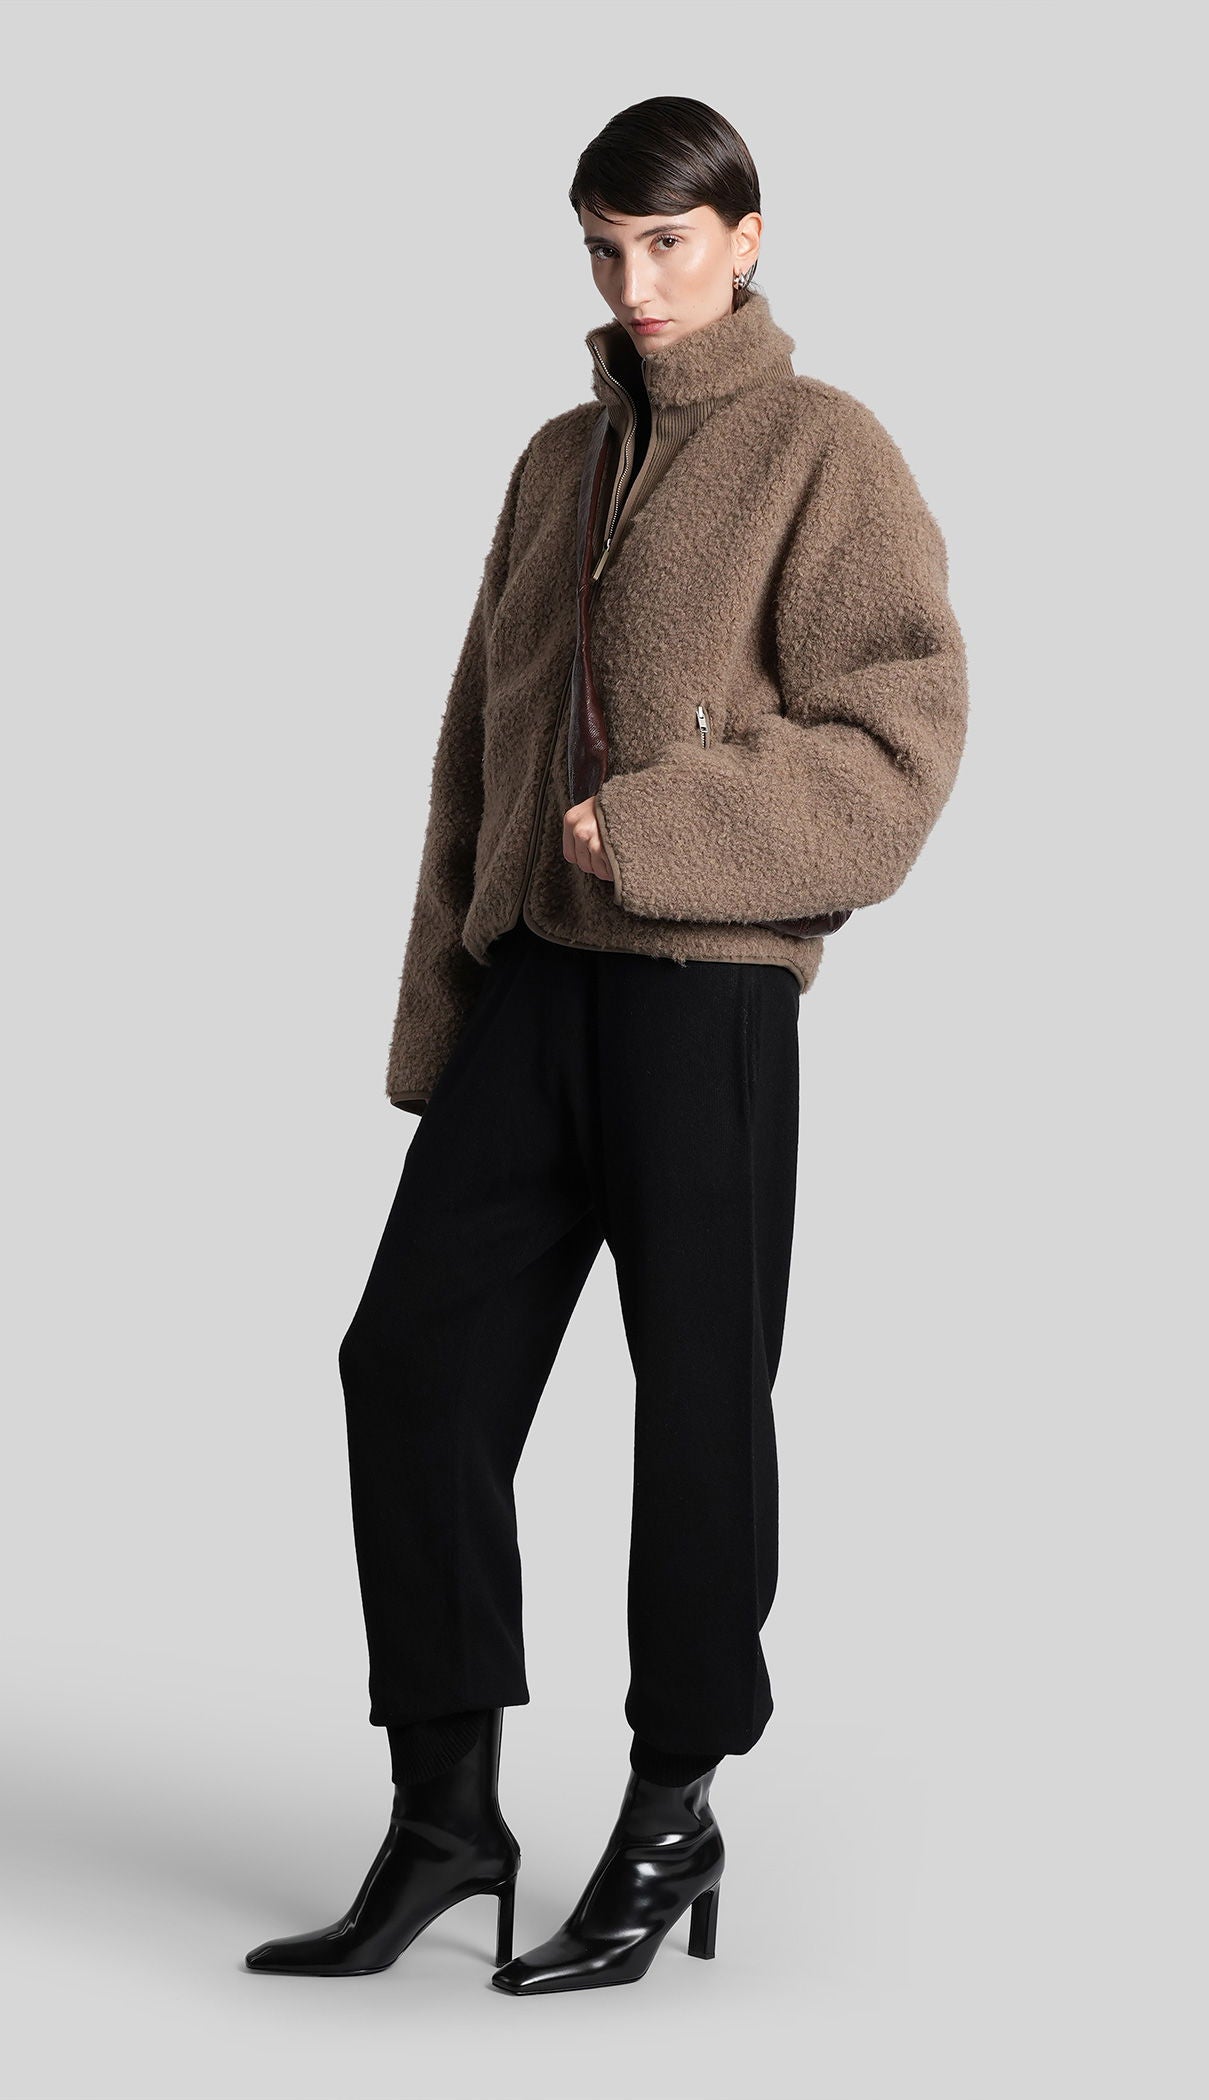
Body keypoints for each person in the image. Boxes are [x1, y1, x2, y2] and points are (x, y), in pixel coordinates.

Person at [244, 94, 968, 1996]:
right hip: (538, 987)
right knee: (408, 1364)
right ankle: (446, 1818)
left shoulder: (824, 450)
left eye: (668, 243)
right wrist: (447, 990)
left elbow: (899, 743)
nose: (635, 283)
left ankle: (672, 1805)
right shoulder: (556, 460)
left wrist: (656, 824)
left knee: (699, 1406)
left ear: (746, 236)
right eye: (604, 248)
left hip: (705, 990)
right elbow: (473, 748)